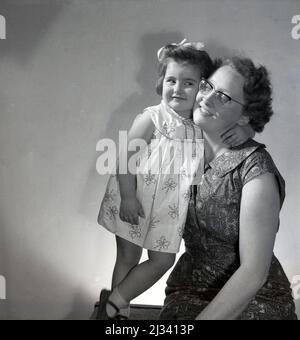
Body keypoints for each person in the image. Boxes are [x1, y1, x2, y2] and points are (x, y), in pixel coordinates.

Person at [97, 41, 254, 320]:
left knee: (162, 260)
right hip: (135, 199)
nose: (178, 89)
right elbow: (124, 158)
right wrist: (129, 197)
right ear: (162, 82)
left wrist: (247, 129)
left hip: (168, 209)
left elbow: (233, 125)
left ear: (203, 88)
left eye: (189, 83)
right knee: (128, 258)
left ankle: (115, 299)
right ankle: (117, 313)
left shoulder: (200, 123)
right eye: (171, 80)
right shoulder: (153, 118)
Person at [159, 56, 297, 320]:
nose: (206, 99)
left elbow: (253, 274)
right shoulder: (181, 148)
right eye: (207, 86)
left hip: (255, 301)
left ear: (245, 115)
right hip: (187, 294)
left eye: (223, 97)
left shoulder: (256, 171)